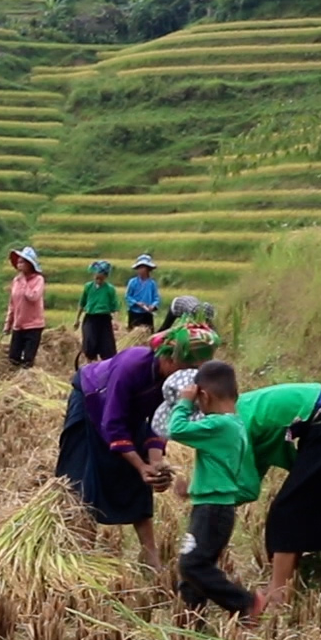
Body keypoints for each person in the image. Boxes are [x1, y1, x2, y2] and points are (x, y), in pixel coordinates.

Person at [55, 323, 222, 569]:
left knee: (140, 480)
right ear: (167, 357)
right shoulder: (132, 366)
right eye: (184, 368)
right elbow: (113, 424)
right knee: (85, 477)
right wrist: (139, 464)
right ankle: (83, 552)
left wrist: (154, 462)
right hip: (92, 403)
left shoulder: (176, 383)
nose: (186, 376)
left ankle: (150, 555)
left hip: (126, 415)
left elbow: (159, 421)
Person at [235, 381, 321, 608]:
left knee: (287, 510)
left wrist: (200, 493)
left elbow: (245, 482)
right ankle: (309, 570)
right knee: (310, 502)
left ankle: (278, 592)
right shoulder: (245, 413)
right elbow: (253, 476)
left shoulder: (236, 422)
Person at [166, 361, 267, 620]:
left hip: (212, 510)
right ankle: (192, 620)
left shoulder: (219, 425)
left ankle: (245, 603)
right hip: (214, 506)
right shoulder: (236, 426)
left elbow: (176, 429)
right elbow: (221, 469)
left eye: (198, 401)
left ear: (204, 396)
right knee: (194, 569)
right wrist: (192, 489)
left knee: (192, 564)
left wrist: (184, 403)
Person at [3, 246, 46, 368]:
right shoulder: (16, 281)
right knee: (13, 357)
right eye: (18, 262)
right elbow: (12, 304)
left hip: (34, 325)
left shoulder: (38, 280)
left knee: (28, 360)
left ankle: (28, 380)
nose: (18, 264)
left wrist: (24, 282)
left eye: (22, 262)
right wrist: (8, 325)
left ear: (29, 264)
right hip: (18, 325)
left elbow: (33, 296)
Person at [76, 260, 119, 363]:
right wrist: (77, 319)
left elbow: (115, 307)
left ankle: (105, 368)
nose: (98, 279)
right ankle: (90, 366)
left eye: (101, 277)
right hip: (90, 318)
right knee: (90, 344)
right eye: (97, 276)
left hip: (104, 320)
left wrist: (116, 321)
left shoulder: (110, 289)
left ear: (105, 276)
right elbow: (82, 303)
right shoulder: (88, 287)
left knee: (107, 347)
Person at [126, 255, 160, 333]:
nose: (140, 270)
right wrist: (137, 303)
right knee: (133, 334)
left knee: (147, 334)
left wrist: (153, 305)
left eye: (143, 267)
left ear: (148, 269)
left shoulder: (152, 283)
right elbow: (128, 296)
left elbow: (156, 298)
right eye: (139, 268)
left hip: (147, 313)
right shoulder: (133, 282)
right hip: (135, 313)